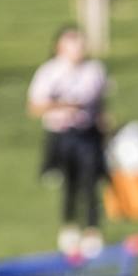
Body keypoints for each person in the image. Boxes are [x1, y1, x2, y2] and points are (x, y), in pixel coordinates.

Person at [27, 26, 109, 249]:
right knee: (70, 182)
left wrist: (105, 128)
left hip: (88, 132)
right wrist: (64, 104)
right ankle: (69, 226)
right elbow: (34, 107)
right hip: (62, 134)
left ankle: (93, 229)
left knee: (91, 181)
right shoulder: (50, 72)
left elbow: (101, 102)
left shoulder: (94, 70)